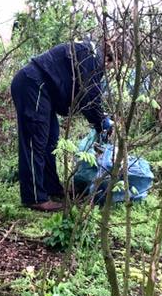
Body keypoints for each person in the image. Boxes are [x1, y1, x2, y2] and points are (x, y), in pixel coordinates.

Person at [10, 40, 113, 211]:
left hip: (43, 90)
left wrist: (101, 119)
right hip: (33, 85)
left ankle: (52, 187)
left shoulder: (89, 54)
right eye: (113, 66)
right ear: (110, 58)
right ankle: (34, 197)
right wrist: (102, 123)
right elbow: (90, 96)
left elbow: (86, 93)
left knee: (51, 140)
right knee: (35, 141)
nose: (109, 70)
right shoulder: (92, 57)